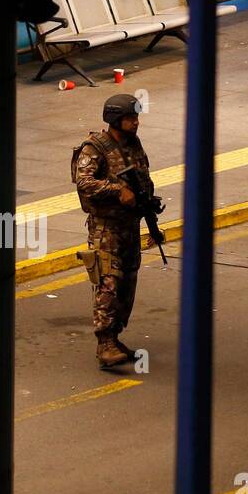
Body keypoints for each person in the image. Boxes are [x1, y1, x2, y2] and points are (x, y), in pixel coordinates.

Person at [72, 93, 156, 369]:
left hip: (130, 224)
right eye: (131, 117)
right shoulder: (94, 148)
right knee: (109, 281)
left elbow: (143, 174)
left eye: (136, 117)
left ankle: (116, 334)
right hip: (106, 227)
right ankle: (104, 342)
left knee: (127, 281)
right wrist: (117, 190)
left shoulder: (133, 144)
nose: (136, 122)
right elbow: (84, 183)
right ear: (115, 119)